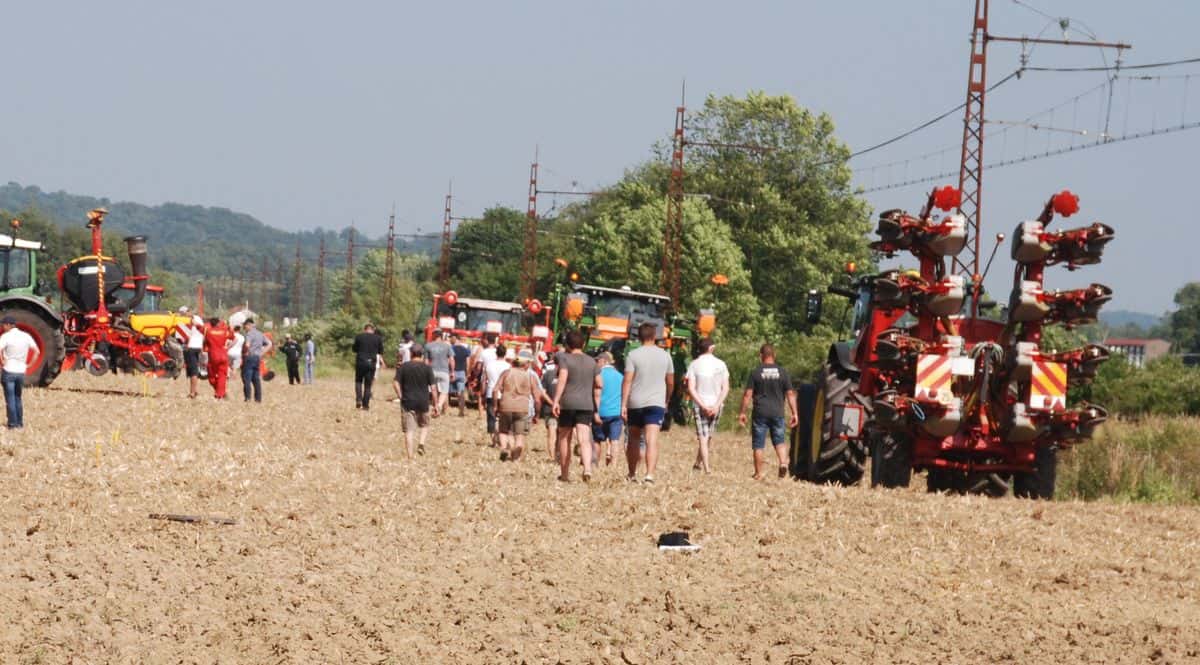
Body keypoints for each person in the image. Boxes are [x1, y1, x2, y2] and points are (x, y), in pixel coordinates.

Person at [737, 344, 800, 480]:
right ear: (774, 355)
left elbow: (748, 394)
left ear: (761, 356)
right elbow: (790, 394)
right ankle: (783, 463)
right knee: (780, 441)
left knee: (758, 444)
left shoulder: (755, 372)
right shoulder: (783, 372)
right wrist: (795, 413)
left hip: (760, 413)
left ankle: (759, 473)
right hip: (778, 413)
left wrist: (742, 412)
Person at [621, 323, 675, 483]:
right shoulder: (665, 356)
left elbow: (627, 381)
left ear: (639, 337)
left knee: (634, 439)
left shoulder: (633, 355)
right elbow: (671, 381)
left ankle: (631, 473)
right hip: (656, 402)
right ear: (655, 336)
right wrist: (667, 398)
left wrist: (623, 404)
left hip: (635, 402)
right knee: (652, 439)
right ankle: (649, 474)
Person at [551, 331, 601, 482]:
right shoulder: (592, 361)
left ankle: (565, 474)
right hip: (586, 404)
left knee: (564, 438)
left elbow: (562, 379)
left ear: (567, 345)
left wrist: (556, 400)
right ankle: (587, 468)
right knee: (584, 438)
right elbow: (600, 383)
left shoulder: (565, 359)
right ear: (583, 344)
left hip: (568, 403)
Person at [685, 338, 730, 473]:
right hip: (716, 404)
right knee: (708, 436)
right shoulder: (721, 364)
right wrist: (716, 405)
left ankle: (701, 465)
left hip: (700, 405)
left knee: (703, 437)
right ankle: (706, 468)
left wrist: (702, 405)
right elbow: (725, 388)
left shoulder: (694, 364)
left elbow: (691, 388)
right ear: (711, 348)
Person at [394, 345, 438, 458]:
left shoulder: (404, 367)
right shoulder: (427, 368)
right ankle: (421, 443)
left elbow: (395, 383)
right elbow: (433, 388)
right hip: (423, 401)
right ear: (422, 355)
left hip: (407, 401)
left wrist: (400, 396)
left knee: (409, 430)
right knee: (425, 424)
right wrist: (436, 404)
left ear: (411, 354)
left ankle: (410, 455)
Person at [494, 351, 538, 461]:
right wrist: (537, 413)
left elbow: (495, 390)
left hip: (506, 405)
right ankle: (516, 455)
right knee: (519, 434)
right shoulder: (530, 377)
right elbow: (537, 398)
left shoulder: (506, 373)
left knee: (503, 430)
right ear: (526, 364)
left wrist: (495, 405)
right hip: (522, 407)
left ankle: (504, 448)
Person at [0, 316, 38, 429]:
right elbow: (36, 351)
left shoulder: (6, 336)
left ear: (8, 325)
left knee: (10, 398)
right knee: (18, 397)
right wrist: (29, 365)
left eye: (3, 324)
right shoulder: (26, 336)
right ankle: (20, 423)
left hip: (9, 370)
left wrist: (2, 362)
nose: (2, 326)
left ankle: (12, 424)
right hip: (21, 372)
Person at [592, 352, 624, 467]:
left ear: (604, 361)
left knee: (597, 440)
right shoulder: (621, 376)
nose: (596, 363)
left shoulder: (598, 375)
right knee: (614, 439)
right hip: (616, 413)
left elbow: (595, 393)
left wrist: (595, 411)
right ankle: (614, 465)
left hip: (600, 412)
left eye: (598, 361)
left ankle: (595, 464)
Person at [483, 346, 513, 447]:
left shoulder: (489, 365)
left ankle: (494, 440)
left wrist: (483, 392)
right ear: (505, 354)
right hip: (504, 394)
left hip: (491, 392)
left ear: (496, 353)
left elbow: (484, 380)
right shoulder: (508, 366)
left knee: (492, 417)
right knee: (503, 418)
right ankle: (504, 439)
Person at [352, 323, 385, 410]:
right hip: (371, 363)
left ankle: (359, 399)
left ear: (364, 329)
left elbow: (354, 349)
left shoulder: (359, 336)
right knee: (368, 385)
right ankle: (365, 405)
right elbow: (381, 351)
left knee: (358, 381)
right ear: (373, 330)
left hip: (360, 362)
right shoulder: (378, 338)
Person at [241, 318, 272, 403]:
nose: (245, 328)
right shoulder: (260, 333)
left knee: (247, 378)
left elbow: (247, 345)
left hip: (249, 357)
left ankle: (247, 398)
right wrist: (261, 353)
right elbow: (269, 344)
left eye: (245, 326)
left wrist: (245, 352)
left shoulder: (249, 334)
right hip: (257, 358)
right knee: (256, 379)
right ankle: (258, 399)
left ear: (249, 325)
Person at [203, 317, 234, 399]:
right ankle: (220, 393)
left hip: (213, 356)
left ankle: (218, 391)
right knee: (222, 376)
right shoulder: (224, 331)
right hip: (223, 355)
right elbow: (232, 336)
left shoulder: (209, 332)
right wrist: (229, 327)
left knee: (211, 376)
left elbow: (205, 342)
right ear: (218, 323)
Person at [425, 330, 454, 416]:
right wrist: (452, 372)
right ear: (441, 336)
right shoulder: (447, 346)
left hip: (432, 370)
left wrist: (426, 372)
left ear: (434, 336)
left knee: (434, 390)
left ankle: (434, 406)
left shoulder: (428, 346)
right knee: (444, 391)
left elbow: (426, 361)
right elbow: (452, 360)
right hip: (444, 371)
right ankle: (439, 406)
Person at [178, 313, 205, 398]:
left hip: (191, 348)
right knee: (194, 369)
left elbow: (184, 338)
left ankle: (192, 392)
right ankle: (194, 390)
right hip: (198, 347)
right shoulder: (199, 320)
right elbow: (204, 333)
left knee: (193, 370)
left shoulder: (186, 322)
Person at [539, 351, 559, 461]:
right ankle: (559, 455)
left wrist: (551, 403)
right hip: (564, 409)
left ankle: (552, 456)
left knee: (552, 433)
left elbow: (542, 392)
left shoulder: (547, 374)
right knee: (562, 434)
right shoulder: (568, 374)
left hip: (550, 408)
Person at [450, 333, 471, 416]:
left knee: (445, 392)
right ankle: (461, 411)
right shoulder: (465, 349)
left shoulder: (451, 349)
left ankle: (444, 410)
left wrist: (451, 371)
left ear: (456, 339)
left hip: (453, 372)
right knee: (460, 392)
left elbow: (450, 361)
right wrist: (467, 373)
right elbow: (468, 362)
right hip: (462, 372)